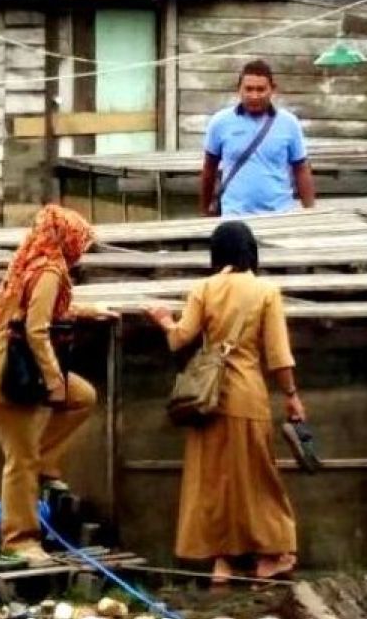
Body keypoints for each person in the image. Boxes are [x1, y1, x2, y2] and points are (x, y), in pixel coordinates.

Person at [144, 221, 304, 583]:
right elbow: (279, 356)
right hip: (248, 397)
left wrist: (164, 321)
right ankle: (272, 555)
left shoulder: (203, 288)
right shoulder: (265, 291)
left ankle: (222, 564)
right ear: (251, 251)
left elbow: (180, 339)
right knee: (259, 479)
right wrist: (292, 397)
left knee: (214, 483)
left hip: (207, 399)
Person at [0, 205, 115, 564]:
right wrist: (53, 381)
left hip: (11, 363)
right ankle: (18, 540)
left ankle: (45, 462)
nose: (82, 249)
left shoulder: (32, 261)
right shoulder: (50, 269)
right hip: (10, 371)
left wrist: (90, 311)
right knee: (20, 459)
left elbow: (43, 311)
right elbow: (36, 329)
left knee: (82, 397)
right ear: (67, 238)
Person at [200, 59, 316, 218]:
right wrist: (205, 210)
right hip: (235, 215)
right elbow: (209, 169)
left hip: (279, 214)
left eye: (261, 89)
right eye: (248, 89)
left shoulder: (289, 123)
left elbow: (301, 168)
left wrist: (310, 211)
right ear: (238, 90)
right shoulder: (220, 122)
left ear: (272, 90)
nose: (254, 96)